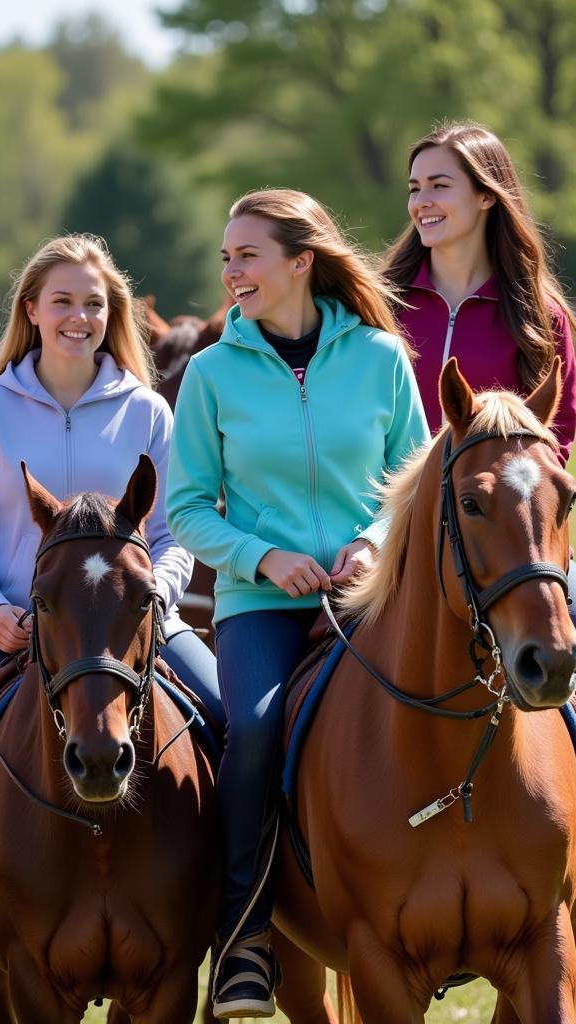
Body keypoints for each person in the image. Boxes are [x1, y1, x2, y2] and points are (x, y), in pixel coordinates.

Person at [0, 233, 221, 1023]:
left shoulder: (147, 410)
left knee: (243, 740)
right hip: (13, 630)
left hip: (139, 626)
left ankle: (249, 935)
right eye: (63, 301)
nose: (79, 316)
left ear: (110, 316)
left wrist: (161, 596)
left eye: (94, 303)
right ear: (32, 311)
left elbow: (179, 529)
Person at [165, 188, 429, 1019]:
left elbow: (416, 480)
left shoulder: (382, 357)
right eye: (226, 258)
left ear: (300, 261)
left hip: (372, 593)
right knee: (255, 728)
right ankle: (244, 936)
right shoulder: (209, 375)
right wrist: (263, 557)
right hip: (260, 604)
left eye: (247, 255)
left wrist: (375, 546)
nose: (231, 272)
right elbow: (187, 508)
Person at [385, 120, 576, 976]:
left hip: (519, 550)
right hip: (385, 555)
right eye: (415, 187)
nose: (421, 202)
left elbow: (551, 451)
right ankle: (271, 913)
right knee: (279, 712)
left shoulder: (541, 316)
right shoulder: (381, 309)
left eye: (440, 186)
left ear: (487, 196)